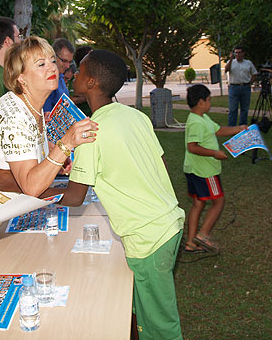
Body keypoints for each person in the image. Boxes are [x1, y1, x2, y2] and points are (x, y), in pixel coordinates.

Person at [0, 36, 98, 274]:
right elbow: (31, 186)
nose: (52, 68)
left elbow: (27, 153)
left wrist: (55, 157)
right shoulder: (17, 116)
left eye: (52, 61)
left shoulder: (27, 107)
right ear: (21, 77)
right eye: (40, 64)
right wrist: (66, 144)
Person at [61, 49, 185, 340]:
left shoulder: (89, 131)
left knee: (160, 326)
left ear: (91, 82)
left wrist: (30, 194)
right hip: (168, 223)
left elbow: (74, 197)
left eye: (79, 71)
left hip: (148, 239)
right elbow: (159, 164)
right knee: (140, 308)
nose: (73, 75)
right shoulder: (134, 116)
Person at [183, 83, 245, 254]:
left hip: (196, 169)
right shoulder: (196, 122)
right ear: (200, 102)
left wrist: (239, 129)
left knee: (198, 204)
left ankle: (190, 243)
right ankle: (203, 235)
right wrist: (214, 153)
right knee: (218, 201)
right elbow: (192, 147)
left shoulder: (203, 118)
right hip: (205, 171)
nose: (210, 103)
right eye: (209, 100)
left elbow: (218, 131)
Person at [224, 46, 257, 126]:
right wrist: (230, 59)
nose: (237, 54)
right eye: (236, 53)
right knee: (233, 109)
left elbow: (254, 74)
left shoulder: (248, 63)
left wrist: (250, 83)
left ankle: (242, 126)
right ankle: (232, 127)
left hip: (245, 87)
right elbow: (226, 69)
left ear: (243, 53)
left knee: (244, 109)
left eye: (239, 52)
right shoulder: (231, 62)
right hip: (234, 87)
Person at [43, 37, 75, 113]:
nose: (67, 66)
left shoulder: (61, 78)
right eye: (64, 61)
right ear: (53, 56)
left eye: (70, 62)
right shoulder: (46, 80)